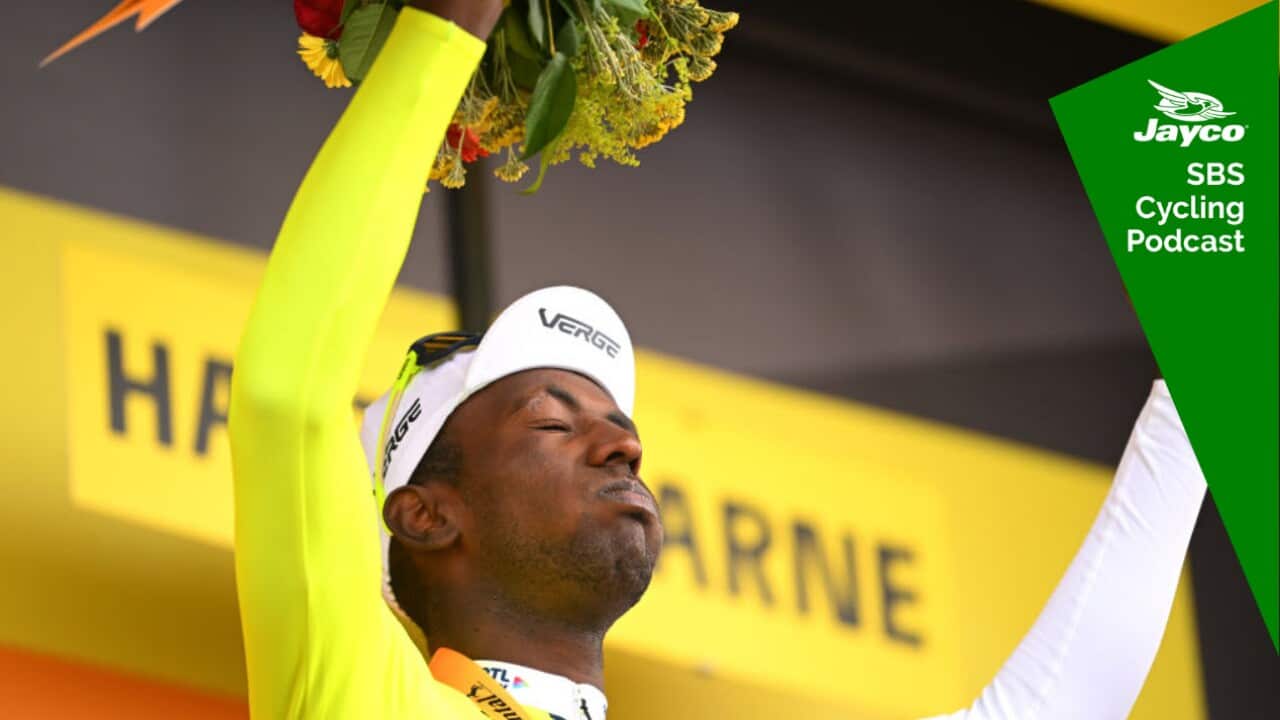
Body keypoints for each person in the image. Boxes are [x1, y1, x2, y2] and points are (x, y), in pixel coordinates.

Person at [228, 2, 1207, 718]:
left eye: (615, 424)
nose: (621, 447)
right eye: (552, 421)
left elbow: (1048, 704)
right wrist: (443, 37)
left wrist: (1216, 352)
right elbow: (286, 393)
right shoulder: (363, 697)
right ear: (426, 514)